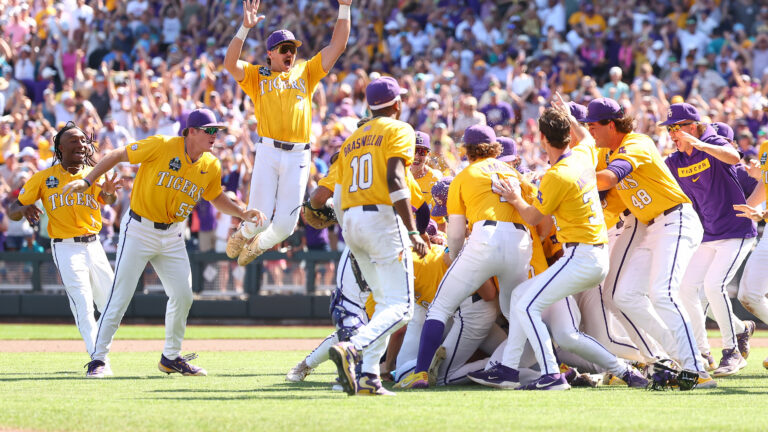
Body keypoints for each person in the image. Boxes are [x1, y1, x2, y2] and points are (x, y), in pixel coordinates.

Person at [62, 109, 266, 378]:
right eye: (210, 130)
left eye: (217, 131)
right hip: (139, 229)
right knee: (120, 296)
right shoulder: (161, 145)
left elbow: (214, 196)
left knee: (183, 295)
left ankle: (170, 357)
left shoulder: (211, 164)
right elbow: (116, 155)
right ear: (191, 131)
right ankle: (98, 359)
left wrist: (241, 212)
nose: (215, 136)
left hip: (172, 234)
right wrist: (87, 181)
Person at [586, 98, 715, 388]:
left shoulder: (637, 143)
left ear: (611, 123)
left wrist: (571, 180)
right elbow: (607, 195)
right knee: (623, 296)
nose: (591, 131)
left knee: (663, 293)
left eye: (594, 126)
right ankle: (674, 358)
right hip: (651, 226)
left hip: (676, 219)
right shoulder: (608, 151)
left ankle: (697, 368)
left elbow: (608, 178)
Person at [398, 124, 534, 389]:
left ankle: (421, 373)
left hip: (485, 237)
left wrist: (459, 260)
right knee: (517, 313)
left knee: (439, 307)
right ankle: (542, 369)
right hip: (521, 242)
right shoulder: (513, 173)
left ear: (467, 150)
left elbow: (457, 235)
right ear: (495, 148)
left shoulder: (464, 175)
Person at [223, 0, 352, 266]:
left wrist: (345, 7)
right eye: (284, 49)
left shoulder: (306, 72)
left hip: (298, 156)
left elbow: (337, 46)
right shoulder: (257, 76)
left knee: (285, 227)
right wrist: (244, 29)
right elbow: (229, 63)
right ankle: (245, 233)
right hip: (268, 151)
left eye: (293, 49)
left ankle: (257, 245)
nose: (290, 53)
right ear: (270, 53)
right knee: (258, 218)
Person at [328, 77, 428, 396]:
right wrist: (412, 229)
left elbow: (339, 196)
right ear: (397, 104)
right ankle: (353, 349)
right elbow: (396, 178)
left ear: (369, 107)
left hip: (352, 221)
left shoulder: (353, 137)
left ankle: (369, 375)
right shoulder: (399, 128)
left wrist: (349, 231)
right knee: (403, 307)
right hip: (382, 219)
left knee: (385, 302)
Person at [9, 122, 120, 371]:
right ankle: (98, 359)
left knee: (112, 304)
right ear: (60, 148)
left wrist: (111, 194)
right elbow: (12, 208)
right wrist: (23, 208)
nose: (81, 144)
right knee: (82, 303)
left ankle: (100, 350)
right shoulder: (44, 178)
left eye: (83, 140)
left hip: (95, 245)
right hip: (66, 247)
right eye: (74, 141)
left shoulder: (94, 174)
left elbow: (109, 198)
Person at [663, 103, 756, 377]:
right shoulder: (676, 160)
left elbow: (732, 156)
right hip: (708, 234)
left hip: (736, 230)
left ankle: (732, 353)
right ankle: (702, 351)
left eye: (676, 128)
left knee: (714, 286)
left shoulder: (710, 141)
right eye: (669, 129)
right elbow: (655, 175)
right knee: (685, 288)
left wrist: (700, 145)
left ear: (692, 127)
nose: (671, 134)